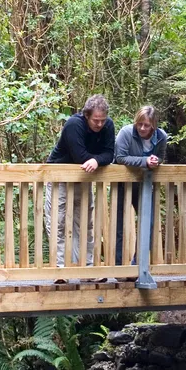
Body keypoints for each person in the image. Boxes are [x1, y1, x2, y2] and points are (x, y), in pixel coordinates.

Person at [45, 94, 114, 267]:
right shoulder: (74, 125)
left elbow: (109, 153)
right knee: (57, 222)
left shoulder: (108, 126)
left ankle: (86, 267)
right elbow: (79, 156)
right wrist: (97, 159)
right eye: (95, 120)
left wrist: (96, 161)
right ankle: (58, 269)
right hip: (59, 177)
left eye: (102, 120)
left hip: (84, 178)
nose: (99, 124)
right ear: (86, 116)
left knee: (85, 224)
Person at [113, 105, 167, 265]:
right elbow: (120, 157)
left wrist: (157, 161)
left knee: (148, 223)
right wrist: (145, 161)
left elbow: (161, 157)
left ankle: (138, 264)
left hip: (144, 184)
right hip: (122, 183)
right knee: (119, 225)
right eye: (140, 124)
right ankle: (119, 267)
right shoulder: (126, 132)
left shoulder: (161, 137)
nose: (142, 128)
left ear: (154, 125)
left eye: (147, 125)